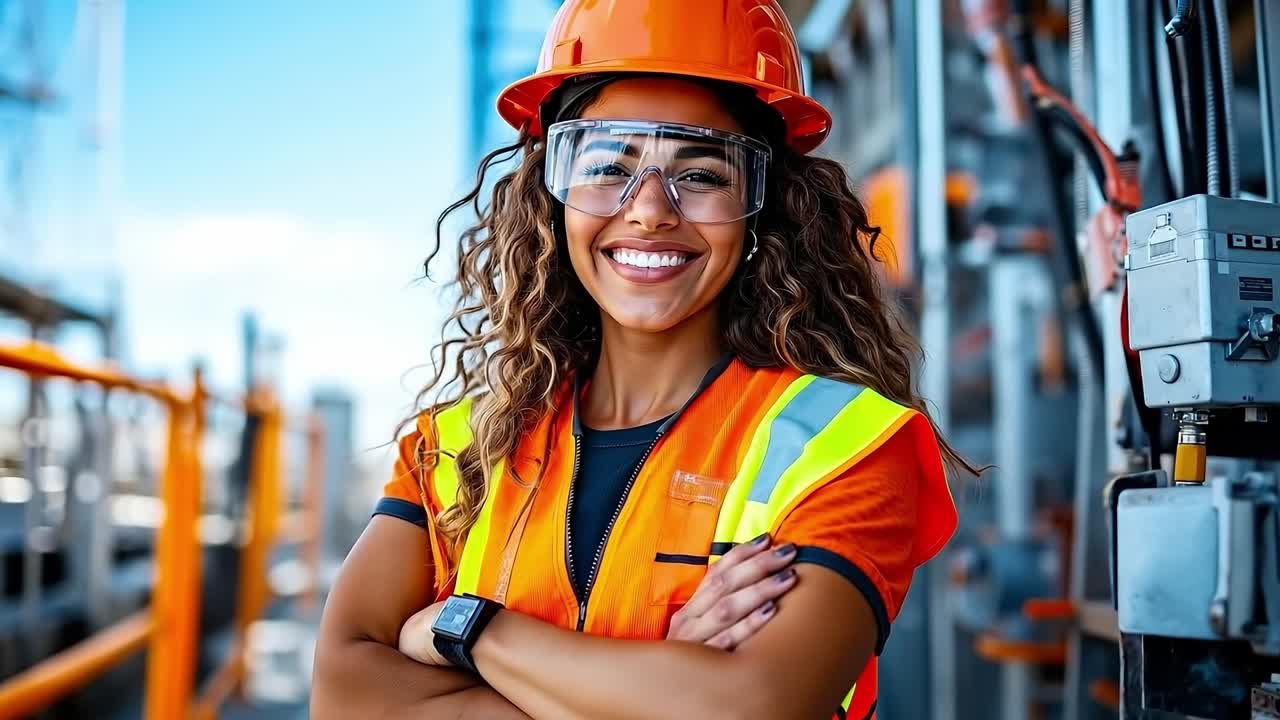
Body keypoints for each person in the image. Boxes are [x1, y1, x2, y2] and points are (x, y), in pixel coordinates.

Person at [312, 1, 970, 718]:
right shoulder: (452, 450)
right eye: (605, 166)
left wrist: (464, 631)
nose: (650, 209)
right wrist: (657, 685)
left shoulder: (845, 446)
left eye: (702, 174)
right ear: (549, 199)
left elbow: (750, 707)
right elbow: (344, 694)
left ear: (762, 208)